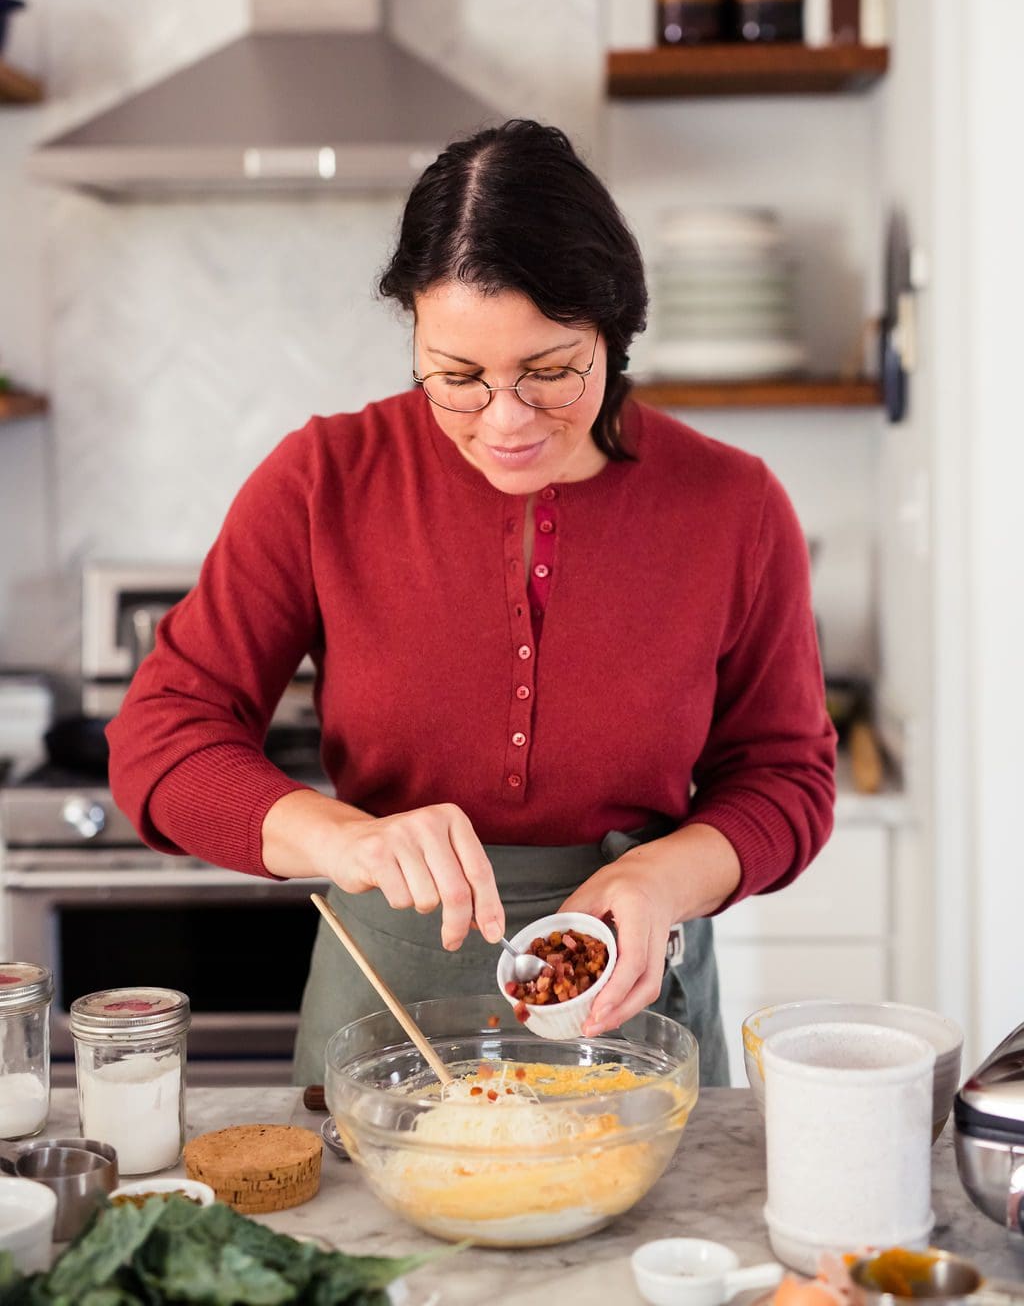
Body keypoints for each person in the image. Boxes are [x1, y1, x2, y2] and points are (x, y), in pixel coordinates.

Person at [108, 119, 836, 1087]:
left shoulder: (733, 503)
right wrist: (346, 838)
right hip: (381, 1017)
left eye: (548, 371)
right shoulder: (324, 478)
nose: (504, 421)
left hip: (633, 1021)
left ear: (614, 333)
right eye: (456, 377)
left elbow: (787, 777)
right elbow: (160, 739)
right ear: (412, 330)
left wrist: (662, 877)